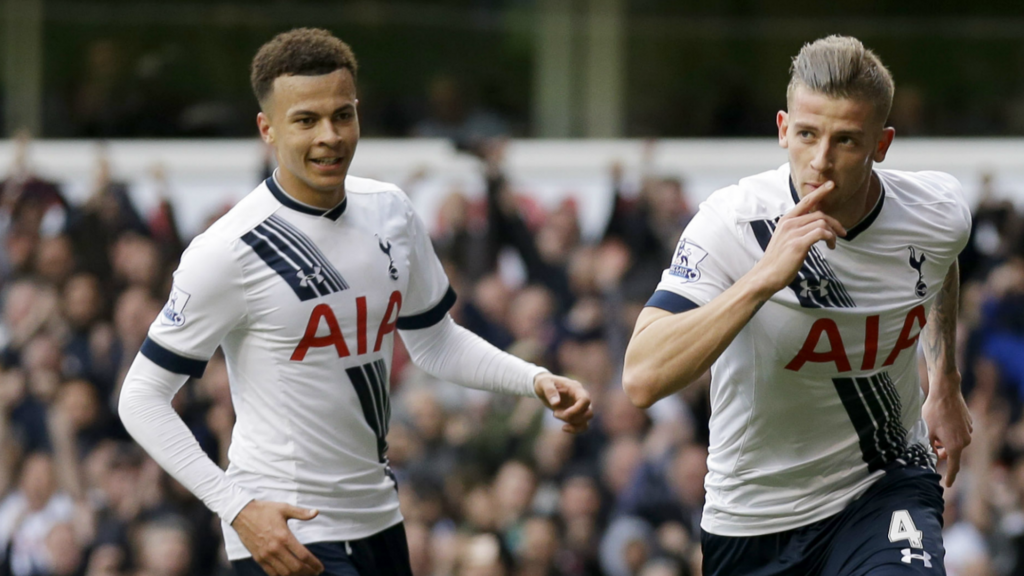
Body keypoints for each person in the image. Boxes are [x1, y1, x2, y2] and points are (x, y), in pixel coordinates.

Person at [117, 28, 592, 576]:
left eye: (343, 115)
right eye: (306, 120)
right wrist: (236, 507)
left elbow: (434, 342)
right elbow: (142, 398)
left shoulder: (390, 210)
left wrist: (534, 380)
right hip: (287, 531)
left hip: (379, 520)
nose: (330, 135)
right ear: (267, 129)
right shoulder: (228, 249)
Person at [622, 35, 972, 575]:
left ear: (882, 145)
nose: (821, 161)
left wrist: (944, 378)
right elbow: (642, 376)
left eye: (847, 141)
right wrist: (762, 279)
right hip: (753, 519)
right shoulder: (733, 225)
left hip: (884, 484)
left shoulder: (937, 211)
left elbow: (941, 260)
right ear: (783, 130)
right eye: (807, 135)